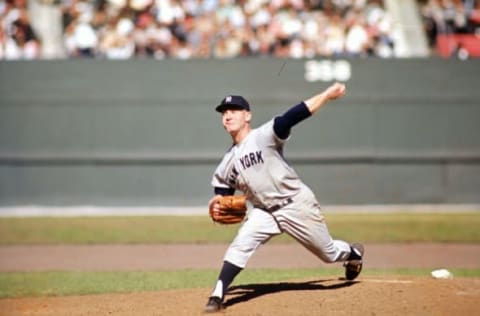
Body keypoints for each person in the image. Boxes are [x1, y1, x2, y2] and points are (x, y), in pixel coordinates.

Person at [205, 82, 365, 313]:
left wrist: (327, 95)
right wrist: (216, 202)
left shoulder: (263, 136)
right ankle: (217, 295)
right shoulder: (226, 163)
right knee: (240, 245)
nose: (228, 116)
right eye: (224, 113)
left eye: (234, 111)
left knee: (328, 253)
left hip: (295, 204)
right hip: (263, 212)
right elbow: (222, 194)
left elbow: (295, 114)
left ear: (247, 115)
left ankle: (353, 253)